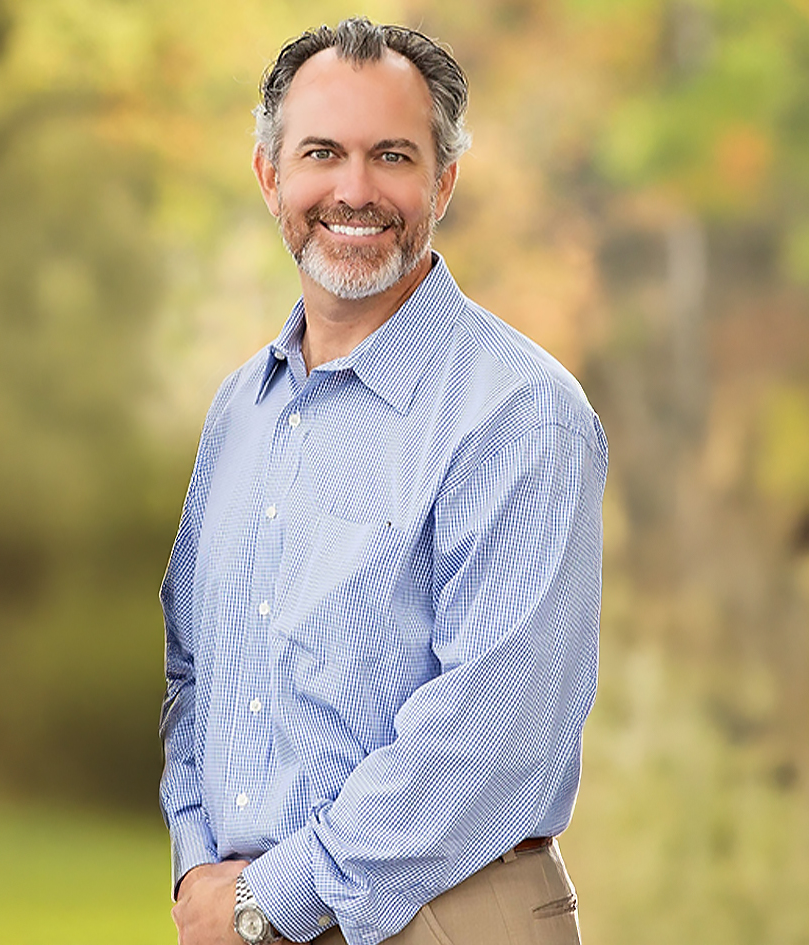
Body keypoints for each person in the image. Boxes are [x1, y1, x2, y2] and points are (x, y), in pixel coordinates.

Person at [159, 16, 606, 945]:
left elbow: (488, 737)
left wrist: (260, 899)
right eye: (322, 152)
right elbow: (192, 672)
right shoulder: (241, 410)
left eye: (392, 155)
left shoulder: (518, 410)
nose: (354, 191)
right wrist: (199, 865)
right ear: (270, 173)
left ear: (442, 180)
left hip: (446, 916)